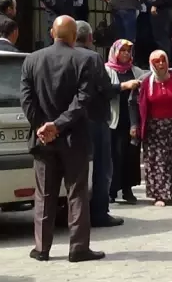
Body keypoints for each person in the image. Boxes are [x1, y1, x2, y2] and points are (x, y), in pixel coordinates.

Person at [20, 15, 104, 262]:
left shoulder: (32, 60)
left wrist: (42, 127)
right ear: (73, 35)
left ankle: (41, 248)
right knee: (76, 194)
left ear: (51, 33)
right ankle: (78, 248)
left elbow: (26, 99)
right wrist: (57, 125)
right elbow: (83, 100)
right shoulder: (85, 59)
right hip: (74, 138)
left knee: (44, 194)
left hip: (43, 141)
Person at [75, 21, 135, 227]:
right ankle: (99, 212)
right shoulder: (92, 58)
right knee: (101, 166)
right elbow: (105, 89)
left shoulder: (44, 56)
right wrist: (123, 86)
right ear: (90, 38)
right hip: (94, 119)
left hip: (65, 121)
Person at [130, 50, 172, 206]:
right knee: (157, 161)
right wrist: (135, 124)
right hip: (154, 127)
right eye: (156, 61)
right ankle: (160, 194)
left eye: (163, 60)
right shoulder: (145, 81)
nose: (161, 64)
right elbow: (132, 102)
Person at [105, 39, 146, 204]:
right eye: (123, 51)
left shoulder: (136, 71)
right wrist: (124, 86)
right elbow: (105, 90)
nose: (126, 54)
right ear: (115, 52)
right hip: (114, 120)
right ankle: (112, 190)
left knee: (131, 155)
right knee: (114, 155)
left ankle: (128, 189)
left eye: (129, 51)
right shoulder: (107, 70)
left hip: (132, 120)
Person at [135, 0, 155, 69]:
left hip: (147, 16)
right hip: (138, 16)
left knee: (146, 38)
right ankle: (138, 60)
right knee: (138, 39)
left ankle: (144, 61)